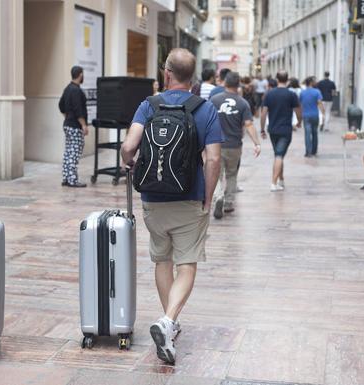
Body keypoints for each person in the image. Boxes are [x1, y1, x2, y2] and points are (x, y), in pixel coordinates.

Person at [121, 48, 223, 364]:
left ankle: (169, 323)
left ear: (166, 73)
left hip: (153, 198)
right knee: (187, 263)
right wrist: (208, 196)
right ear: (192, 77)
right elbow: (215, 159)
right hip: (189, 196)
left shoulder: (148, 105)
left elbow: (128, 146)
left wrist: (130, 163)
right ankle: (168, 321)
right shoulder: (205, 109)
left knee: (162, 260)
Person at [210, 72, 261, 219]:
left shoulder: (214, 100)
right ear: (238, 85)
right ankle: (228, 202)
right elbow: (249, 124)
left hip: (216, 144)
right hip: (234, 145)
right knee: (232, 174)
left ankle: (218, 196)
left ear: (225, 83)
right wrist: (256, 143)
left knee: (216, 174)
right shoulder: (242, 103)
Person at [260, 71, 302, 192]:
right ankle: (273, 183)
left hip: (272, 129)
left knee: (279, 154)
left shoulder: (269, 94)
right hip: (285, 129)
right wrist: (299, 122)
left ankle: (281, 180)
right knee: (279, 155)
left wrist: (262, 129)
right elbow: (298, 110)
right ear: (287, 79)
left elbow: (263, 113)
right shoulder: (291, 94)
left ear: (277, 79)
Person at [58, 66, 90, 188]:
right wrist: (83, 125)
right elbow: (78, 110)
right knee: (74, 153)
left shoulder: (67, 89)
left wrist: (67, 116)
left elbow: (61, 105)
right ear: (80, 75)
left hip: (67, 124)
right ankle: (72, 180)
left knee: (68, 152)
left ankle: (66, 178)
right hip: (75, 126)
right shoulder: (76, 91)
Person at [299, 76, 324, 157]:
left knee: (307, 134)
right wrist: (323, 113)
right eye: (314, 81)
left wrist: (300, 116)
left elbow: (300, 105)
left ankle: (308, 152)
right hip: (315, 115)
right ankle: (314, 150)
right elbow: (319, 103)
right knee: (315, 133)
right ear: (310, 83)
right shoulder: (317, 92)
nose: (315, 82)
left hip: (306, 115)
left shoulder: (302, 93)